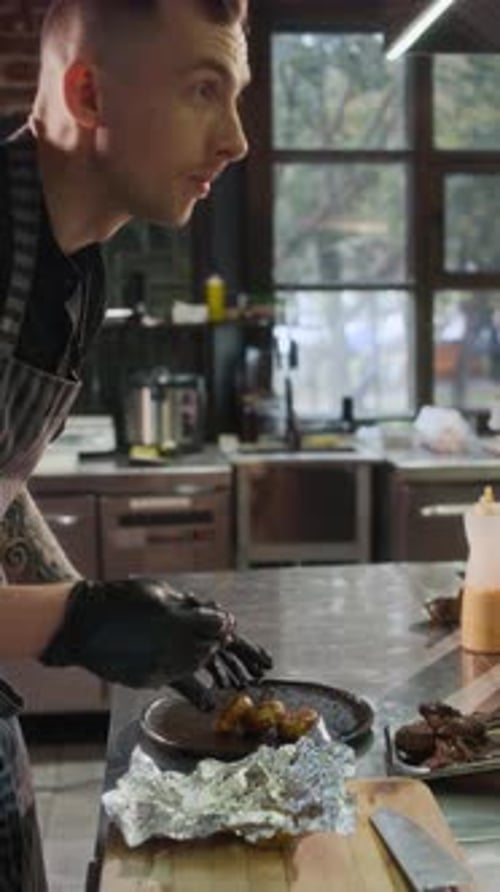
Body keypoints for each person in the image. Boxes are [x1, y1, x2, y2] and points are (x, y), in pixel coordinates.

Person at [0, 1, 271, 888]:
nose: (236, 140)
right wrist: (75, 622)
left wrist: (84, 596)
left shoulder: (75, 263)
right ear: (88, 94)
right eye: (204, 90)